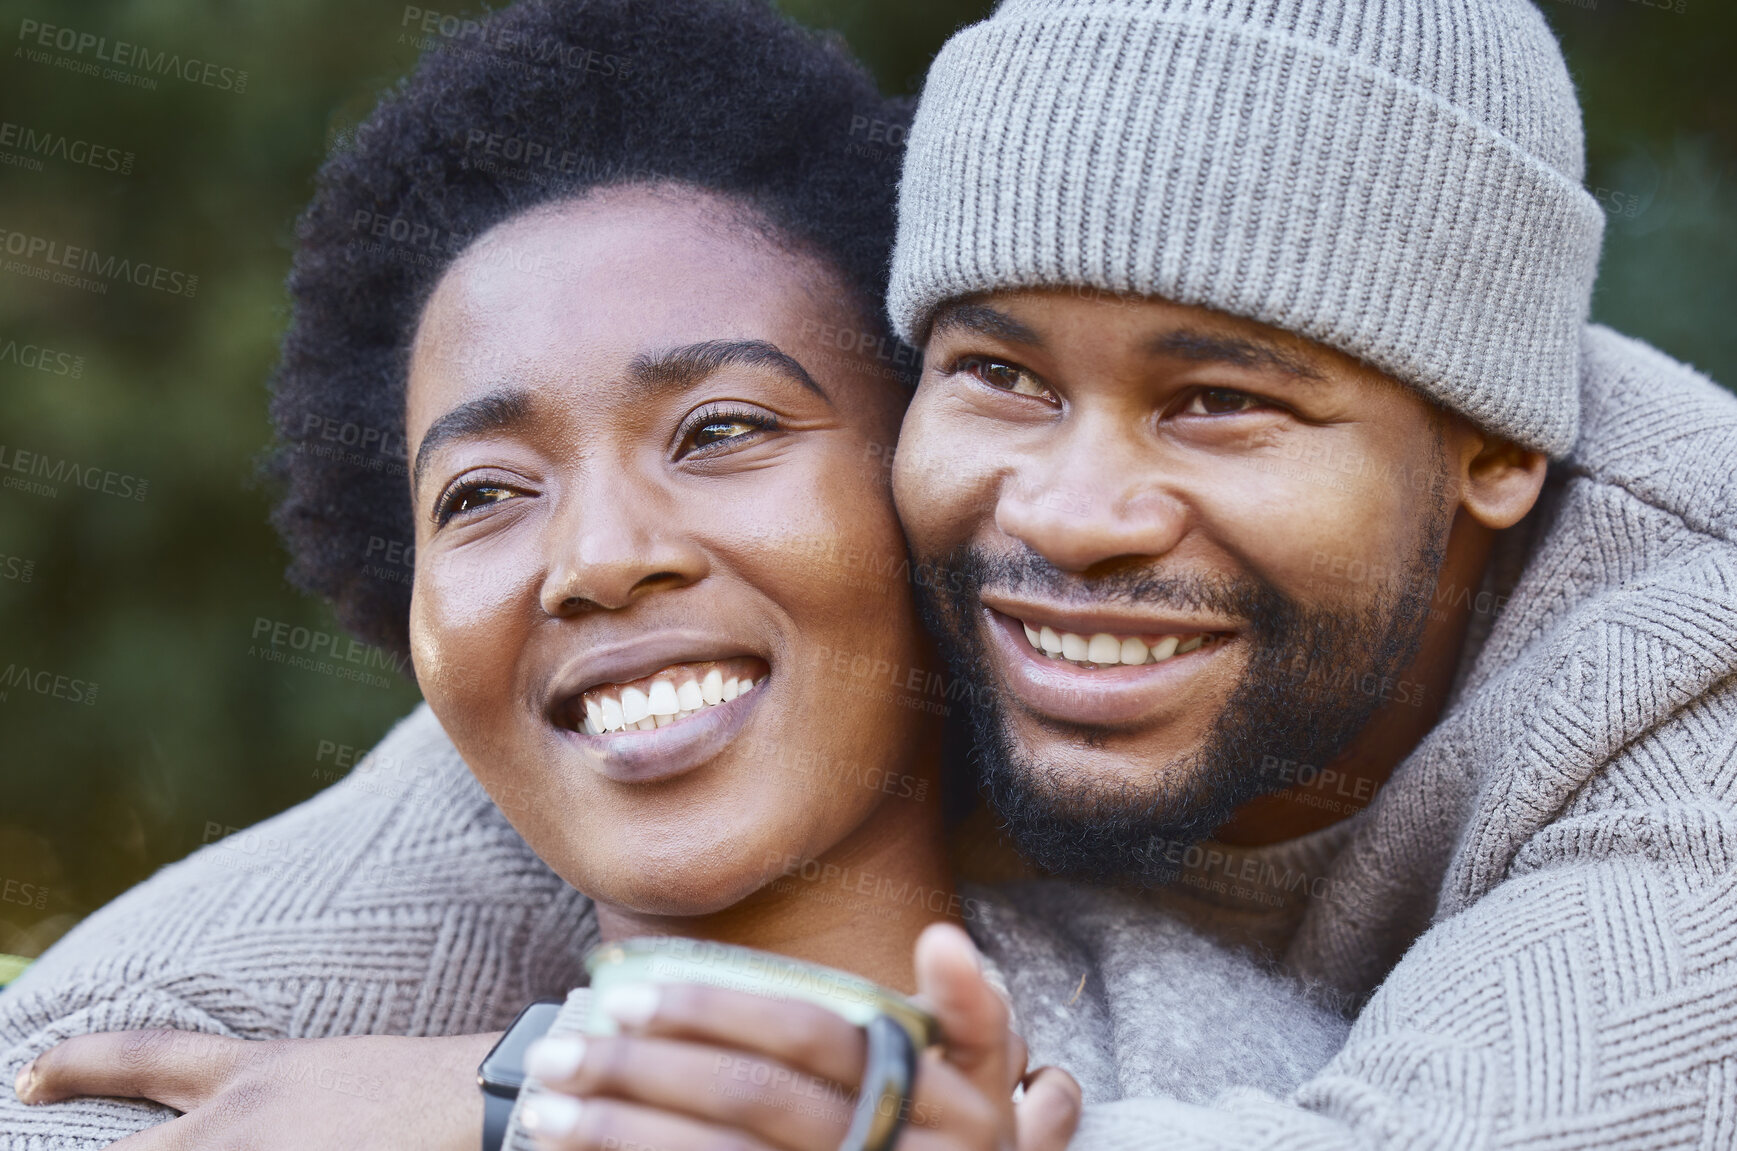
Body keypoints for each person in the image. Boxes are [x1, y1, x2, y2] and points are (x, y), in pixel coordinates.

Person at [1, 2, 1346, 1148]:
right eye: (484, 495)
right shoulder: (252, 1093)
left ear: (925, 480)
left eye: (722, 430)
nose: (595, 558)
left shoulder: (1261, 1081)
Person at [514, 0, 1737, 1146]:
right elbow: (321, 990)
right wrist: (527, 1090)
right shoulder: (876, 540)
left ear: (1499, 445)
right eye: (1001, 374)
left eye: (1218, 400)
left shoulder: (1694, 659)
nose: (1070, 517)